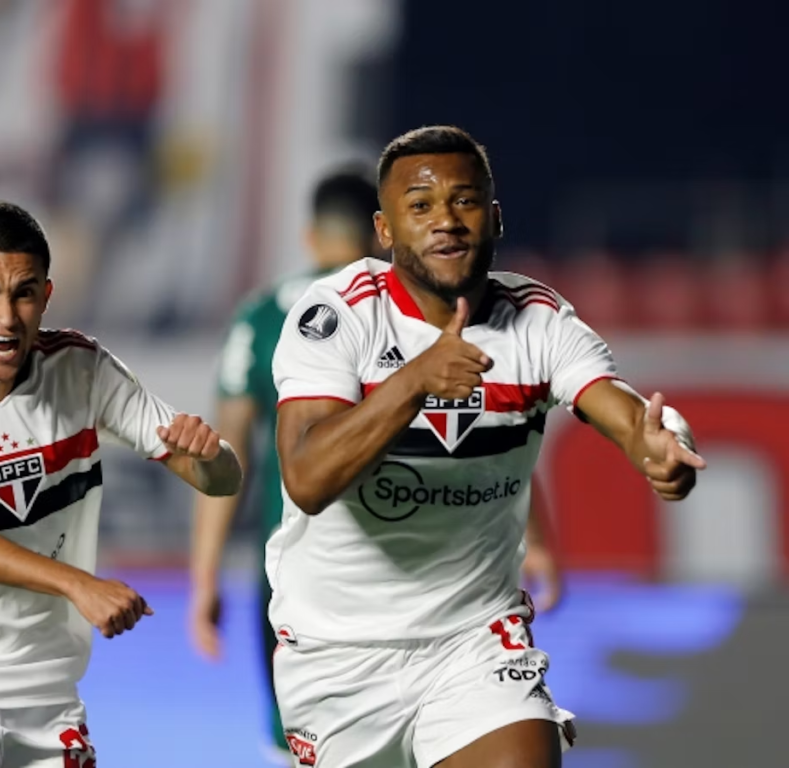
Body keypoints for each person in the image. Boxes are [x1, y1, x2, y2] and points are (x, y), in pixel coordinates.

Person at [267, 126, 705, 768]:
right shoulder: (337, 314)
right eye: (420, 206)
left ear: (494, 217)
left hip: (475, 640)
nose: (445, 220)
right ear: (384, 231)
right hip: (338, 651)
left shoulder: (540, 320)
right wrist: (414, 381)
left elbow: (628, 415)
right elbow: (306, 477)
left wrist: (665, 447)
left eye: (464, 201)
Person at [188, 168, 565, 764]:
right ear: (381, 232)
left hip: (309, 587)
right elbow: (500, 430)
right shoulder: (425, 314)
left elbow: (224, 457)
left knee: (295, 747)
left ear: (311, 236)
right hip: (442, 580)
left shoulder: (262, 317)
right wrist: (537, 539)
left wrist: (205, 575)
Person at [0, 201, 242, 768]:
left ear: (47, 296)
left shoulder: (81, 370)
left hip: (43, 690)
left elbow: (219, 479)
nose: (5, 316)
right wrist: (78, 585)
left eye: (24, 293)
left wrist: (208, 457)